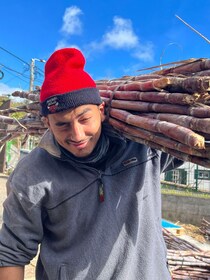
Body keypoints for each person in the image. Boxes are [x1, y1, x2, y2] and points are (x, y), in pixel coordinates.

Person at [0, 47, 182, 280]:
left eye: (84, 119)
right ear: (47, 122)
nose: (77, 134)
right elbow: (11, 254)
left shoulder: (145, 146)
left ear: (101, 110)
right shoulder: (32, 174)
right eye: (62, 124)